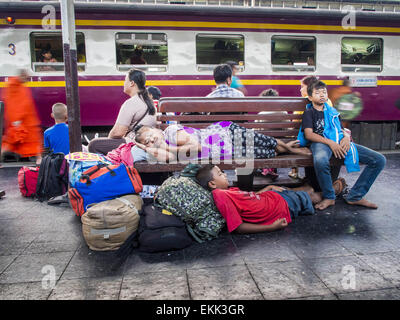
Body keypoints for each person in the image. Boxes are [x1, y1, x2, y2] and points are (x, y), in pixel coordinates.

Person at [298, 80, 386, 210]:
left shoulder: (333, 112)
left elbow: (341, 130)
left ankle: (355, 196)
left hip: (339, 141)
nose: (322, 95)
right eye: (317, 93)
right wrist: (331, 143)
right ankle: (329, 197)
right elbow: (309, 135)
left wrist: (345, 138)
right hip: (320, 143)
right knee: (321, 160)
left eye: (324, 92)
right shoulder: (309, 113)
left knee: (379, 160)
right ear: (310, 97)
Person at [195, 165, 346, 234]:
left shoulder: (227, 191)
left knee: (300, 191)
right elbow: (238, 227)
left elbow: (248, 199)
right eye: (221, 174)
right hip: (280, 206)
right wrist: (271, 227)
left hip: (272, 198)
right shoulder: (220, 195)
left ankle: (312, 190)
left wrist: (266, 189)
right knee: (308, 196)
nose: (225, 175)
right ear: (212, 184)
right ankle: (331, 193)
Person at [133, 120, 311, 163]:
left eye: (149, 135)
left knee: (268, 143)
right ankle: (288, 148)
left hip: (226, 133)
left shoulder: (171, 133)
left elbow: (197, 148)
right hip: (227, 151)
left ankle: (292, 149)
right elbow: (168, 159)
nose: (151, 140)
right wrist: (141, 146)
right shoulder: (164, 147)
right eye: (147, 141)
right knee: (270, 153)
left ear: (156, 129)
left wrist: (169, 149)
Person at [88, 68, 157, 155]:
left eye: (125, 80)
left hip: (134, 144)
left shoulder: (132, 102)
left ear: (132, 83)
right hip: (146, 142)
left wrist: (109, 140)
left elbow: (118, 132)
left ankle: (109, 166)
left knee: (93, 145)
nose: (124, 84)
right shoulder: (148, 101)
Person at [1, 70, 43, 165]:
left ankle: (39, 158)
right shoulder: (14, 86)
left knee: (12, 143)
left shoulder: (19, 86)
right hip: (20, 122)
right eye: (26, 77)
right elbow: (13, 104)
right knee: (10, 143)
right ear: (22, 76)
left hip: (27, 121)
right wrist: (16, 120)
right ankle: (39, 159)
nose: (27, 80)